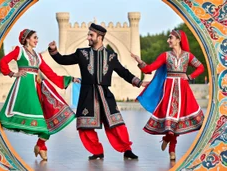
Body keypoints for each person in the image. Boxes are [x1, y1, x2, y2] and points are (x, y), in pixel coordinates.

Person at [48, 23, 143, 160]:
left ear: (100, 37)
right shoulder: (82, 53)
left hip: (105, 94)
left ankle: (127, 150)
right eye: (88, 35)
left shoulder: (111, 56)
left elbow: (123, 72)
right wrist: (53, 51)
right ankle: (97, 152)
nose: (88, 38)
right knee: (85, 127)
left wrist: (138, 82)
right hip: (87, 95)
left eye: (91, 35)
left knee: (117, 124)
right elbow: (64, 60)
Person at [0, 29, 80, 160]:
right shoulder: (19, 51)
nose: (37, 40)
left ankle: (41, 145)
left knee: (47, 120)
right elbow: (3, 62)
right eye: (35, 38)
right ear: (27, 39)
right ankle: (40, 146)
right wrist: (13, 73)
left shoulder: (37, 55)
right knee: (41, 122)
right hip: (24, 89)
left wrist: (70, 79)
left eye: (37, 38)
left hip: (36, 89)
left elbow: (50, 72)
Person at [131, 29, 205, 160]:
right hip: (169, 90)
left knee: (176, 124)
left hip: (183, 90)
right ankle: (171, 149)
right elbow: (149, 69)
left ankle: (168, 143)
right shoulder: (165, 55)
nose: (168, 40)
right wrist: (139, 61)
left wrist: (190, 76)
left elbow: (201, 67)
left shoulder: (187, 56)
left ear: (178, 39)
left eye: (170, 38)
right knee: (171, 124)